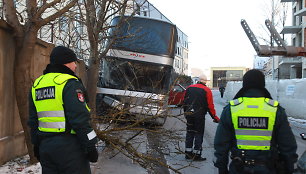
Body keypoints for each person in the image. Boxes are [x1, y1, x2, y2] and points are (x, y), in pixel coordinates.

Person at [28, 46, 98, 174]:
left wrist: (36, 145)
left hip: (45, 147)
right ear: (66, 62)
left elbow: (33, 121)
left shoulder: (38, 84)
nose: (76, 66)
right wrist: (90, 145)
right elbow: (80, 119)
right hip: (70, 148)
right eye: (74, 62)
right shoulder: (69, 83)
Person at [214, 69, 298, 174]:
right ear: (262, 84)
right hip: (268, 168)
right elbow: (287, 145)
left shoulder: (232, 109)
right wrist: (290, 168)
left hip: (239, 167)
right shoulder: (275, 109)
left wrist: (222, 168)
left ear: (244, 84)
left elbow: (221, 144)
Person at [183, 74, 220, 161]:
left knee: (190, 132)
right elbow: (210, 106)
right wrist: (215, 117)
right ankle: (197, 155)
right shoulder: (207, 90)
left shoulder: (189, 88)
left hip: (189, 114)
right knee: (198, 134)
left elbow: (184, 100)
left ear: (198, 80)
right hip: (199, 116)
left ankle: (188, 153)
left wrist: (186, 112)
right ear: (205, 82)